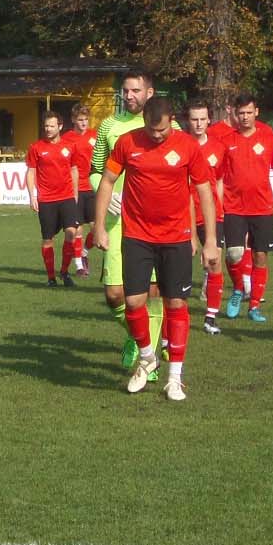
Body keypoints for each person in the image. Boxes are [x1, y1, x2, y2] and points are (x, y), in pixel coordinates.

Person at [89, 96, 220, 401]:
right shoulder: (127, 143)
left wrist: (210, 241)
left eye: (161, 130)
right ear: (144, 121)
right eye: (151, 129)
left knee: (175, 303)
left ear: (172, 120)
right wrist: (99, 226)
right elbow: (107, 181)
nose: (156, 135)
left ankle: (175, 378)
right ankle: (148, 358)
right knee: (134, 301)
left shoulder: (188, 146)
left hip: (176, 237)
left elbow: (204, 190)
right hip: (137, 235)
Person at [90, 70, 154, 369]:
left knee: (152, 293)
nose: (129, 96)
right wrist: (107, 193)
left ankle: (148, 359)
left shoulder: (166, 124)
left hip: (154, 221)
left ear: (149, 92)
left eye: (135, 91)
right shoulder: (109, 125)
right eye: (125, 91)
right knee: (115, 294)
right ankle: (137, 337)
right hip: (118, 222)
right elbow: (95, 171)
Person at [216, 93, 273, 323]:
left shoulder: (269, 138)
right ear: (235, 114)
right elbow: (219, 178)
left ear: (256, 112)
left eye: (249, 112)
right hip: (233, 207)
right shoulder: (226, 141)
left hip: (262, 208)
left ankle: (254, 305)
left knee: (260, 256)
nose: (245, 117)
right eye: (241, 113)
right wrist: (218, 207)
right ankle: (238, 288)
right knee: (233, 254)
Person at [183, 99, 231, 335]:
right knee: (181, 265)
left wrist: (218, 208)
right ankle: (176, 315)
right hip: (183, 215)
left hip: (212, 216)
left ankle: (211, 317)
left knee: (214, 262)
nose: (199, 123)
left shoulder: (218, 147)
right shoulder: (181, 146)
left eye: (203, 119)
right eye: (194, 119)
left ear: (209, 119)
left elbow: (219, 179)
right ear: (188, 121)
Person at [24, 112, 85, 286]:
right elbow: (31, 172)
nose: (48, 129)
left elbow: (74, 170)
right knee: (48, 239)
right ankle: (51, 278)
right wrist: (32, 196)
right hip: (47, 200)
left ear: (60, 126)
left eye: (51, 126)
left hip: (67, 197)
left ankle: (64, 272)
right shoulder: (36, 147)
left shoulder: (70, 146)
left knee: (71, 233)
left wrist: (75, 194)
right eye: (46, 126)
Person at [67, 107, 97, 276]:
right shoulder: (67, 139)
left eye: (86, 119)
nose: (84, 123)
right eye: (80, 119)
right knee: (77, 229)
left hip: (92, 187)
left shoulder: (95, 136)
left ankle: (84, 252)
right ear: (73, 120)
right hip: (75, 189)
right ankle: (79, 265)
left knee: (96, 228)